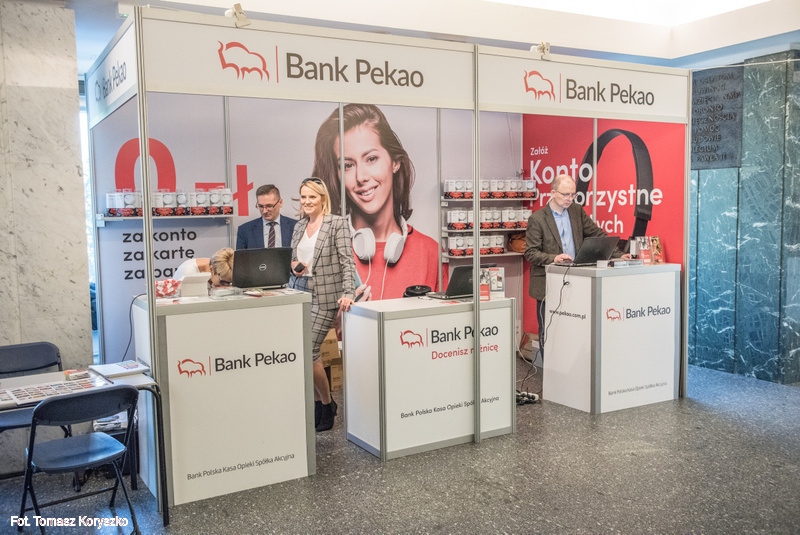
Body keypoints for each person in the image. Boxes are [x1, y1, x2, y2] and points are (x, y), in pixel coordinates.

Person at [312, 103, 439, 301]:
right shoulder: (323, 250)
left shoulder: (431, 252)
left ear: (395, 162)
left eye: (371, 159)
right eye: (347, 165)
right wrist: (338, 317)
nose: (361, 177)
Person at [524, 174, 627, 360]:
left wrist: (619, 255)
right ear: (553, 193)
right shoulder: (537, 219)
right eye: (566, 194)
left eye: (573, 195)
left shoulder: (577, 211)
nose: (570, 199)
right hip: (548, 283)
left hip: (576, 280)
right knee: (549, 330)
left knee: (573, 327)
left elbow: (598, 234)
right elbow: (531, 253)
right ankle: (549, 370)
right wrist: (554, 258)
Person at [289, 177, 356, 432]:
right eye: (303, 197)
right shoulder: (299, 226)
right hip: (299, 291)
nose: (306, 201)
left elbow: (347, 261)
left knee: (309, 350)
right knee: (304, 352)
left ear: (322, 198)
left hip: (325, 296)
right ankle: (318, 404)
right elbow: (293, 257)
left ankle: (328, 404)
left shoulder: (336, 223)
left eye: (312, 197)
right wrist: (294, 267)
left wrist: (348, 292)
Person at [236, 184, 298, 249]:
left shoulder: (296, 226)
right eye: (261, 206)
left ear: (280, 203)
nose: (264, 211)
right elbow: (241, 255)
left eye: (269, 206)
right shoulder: (245, 230)